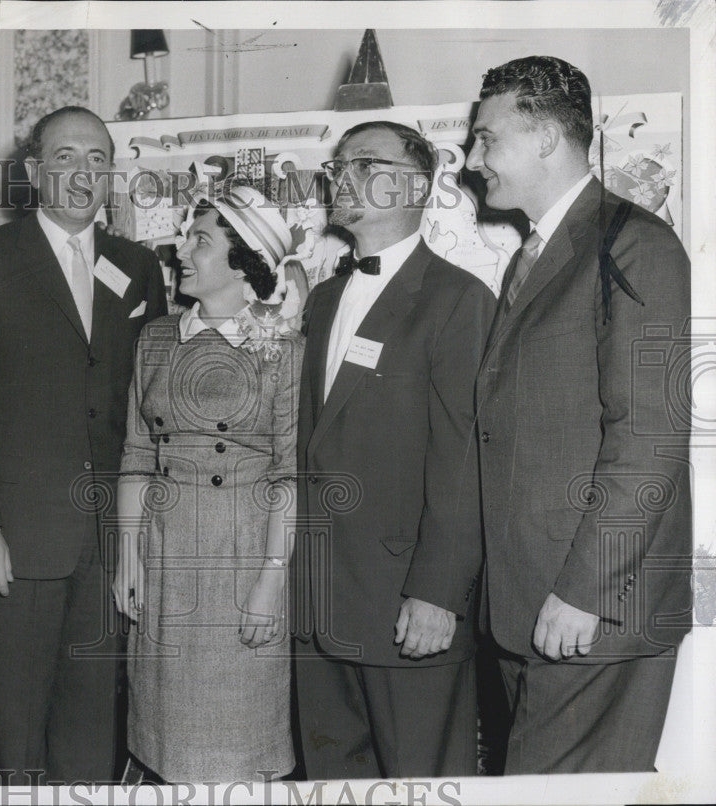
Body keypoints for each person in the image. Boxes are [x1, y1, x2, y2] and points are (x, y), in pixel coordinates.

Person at [466, 56, 691, 773]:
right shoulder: (531, 256)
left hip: (592, 607)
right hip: (534, 606)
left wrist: (582, 591)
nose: (472, 162)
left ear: (544, 140)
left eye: (484, 140)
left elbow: (650, 440)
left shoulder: (637, 247)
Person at [0, 106, 167, 784]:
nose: (84, 173)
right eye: (67, 157)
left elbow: (149, 404)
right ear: (33, 170)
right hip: (14, 542)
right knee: (10, 736)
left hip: (108, 548)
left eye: (98, 159)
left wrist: (144, 534)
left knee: (91, 733)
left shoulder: (138, 265)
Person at [293, 121, 496, 778]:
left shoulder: (458, 299)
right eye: (339, 164)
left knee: (423, 784)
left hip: (409, 609)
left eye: (365, 163)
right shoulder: (323, 300)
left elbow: (467, 461)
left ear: (416, 184)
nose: (343, 176)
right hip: (320, 607)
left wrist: (439, 593)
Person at [112, 184, 305, 782]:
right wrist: (127, 556)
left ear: (244, 262)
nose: (182, 250)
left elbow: (287, 473)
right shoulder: (155, 339)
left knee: (237, 748)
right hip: (166, 559)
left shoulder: (285, 349)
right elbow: (138, 454)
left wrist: (270, 583)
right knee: (167, 747)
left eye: (200, 240)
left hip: (241, 557)